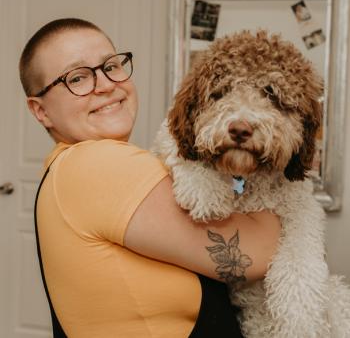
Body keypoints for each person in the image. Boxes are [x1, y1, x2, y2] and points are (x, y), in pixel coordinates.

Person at [20, 18, 281, 338]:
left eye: (110, 66)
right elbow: (258, 255)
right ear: (40, 110)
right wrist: (284, 195)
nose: (104, 84)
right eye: (77, 77)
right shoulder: (96, 163)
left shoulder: (64, 169)